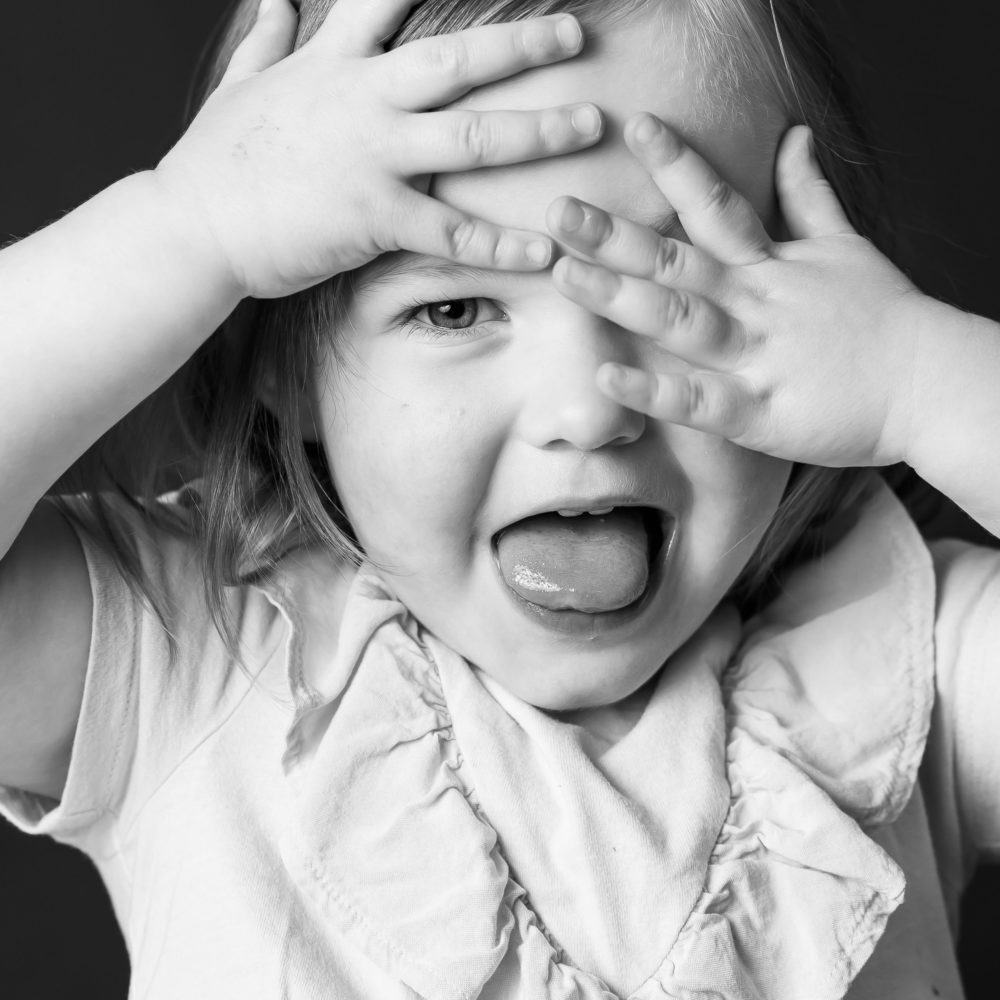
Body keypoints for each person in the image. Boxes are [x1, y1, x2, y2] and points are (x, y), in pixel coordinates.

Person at [1, 0, 998, 996]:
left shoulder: (907, 662)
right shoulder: (186, 660)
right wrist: (193, 226)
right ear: (290, 368)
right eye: (452, 307)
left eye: (674, 290)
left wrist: (924, 381)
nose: (585, 409)